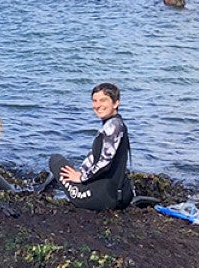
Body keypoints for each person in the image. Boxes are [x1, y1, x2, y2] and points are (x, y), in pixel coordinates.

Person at [47, 82, 134, 211]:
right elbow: (95, 158)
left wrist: (81, 177)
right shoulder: (116, 124)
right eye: (94, 101)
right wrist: (82, 172)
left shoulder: (113, 126)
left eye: (103, 100)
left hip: (101, 198)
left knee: (55, 160)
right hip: (119, 196)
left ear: (116, 103)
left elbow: (104, 163)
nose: (98, 105)